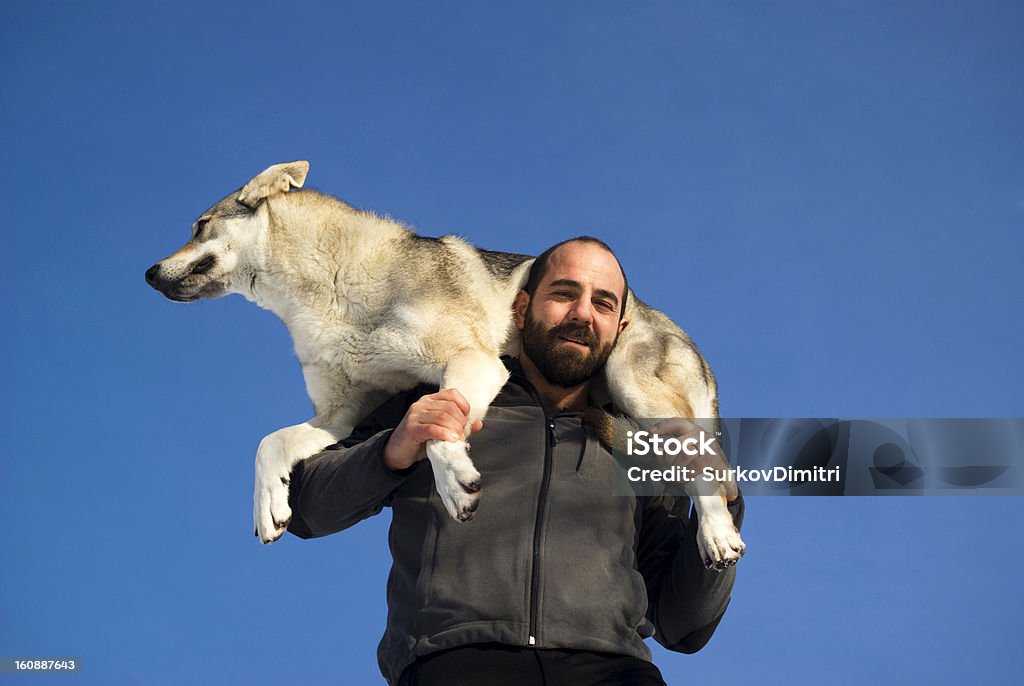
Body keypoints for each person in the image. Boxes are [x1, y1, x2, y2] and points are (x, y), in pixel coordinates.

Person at [287, 237, 744, 686]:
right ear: (521, 309)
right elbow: (303, 504)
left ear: (620, 329)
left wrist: (729, 497)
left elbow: (682, 623)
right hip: (457, 665)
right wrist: (393, 449)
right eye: (564, 294)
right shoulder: (440, 398)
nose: (582, 313)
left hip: (615, 669)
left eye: (603, 304)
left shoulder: (639, 445)